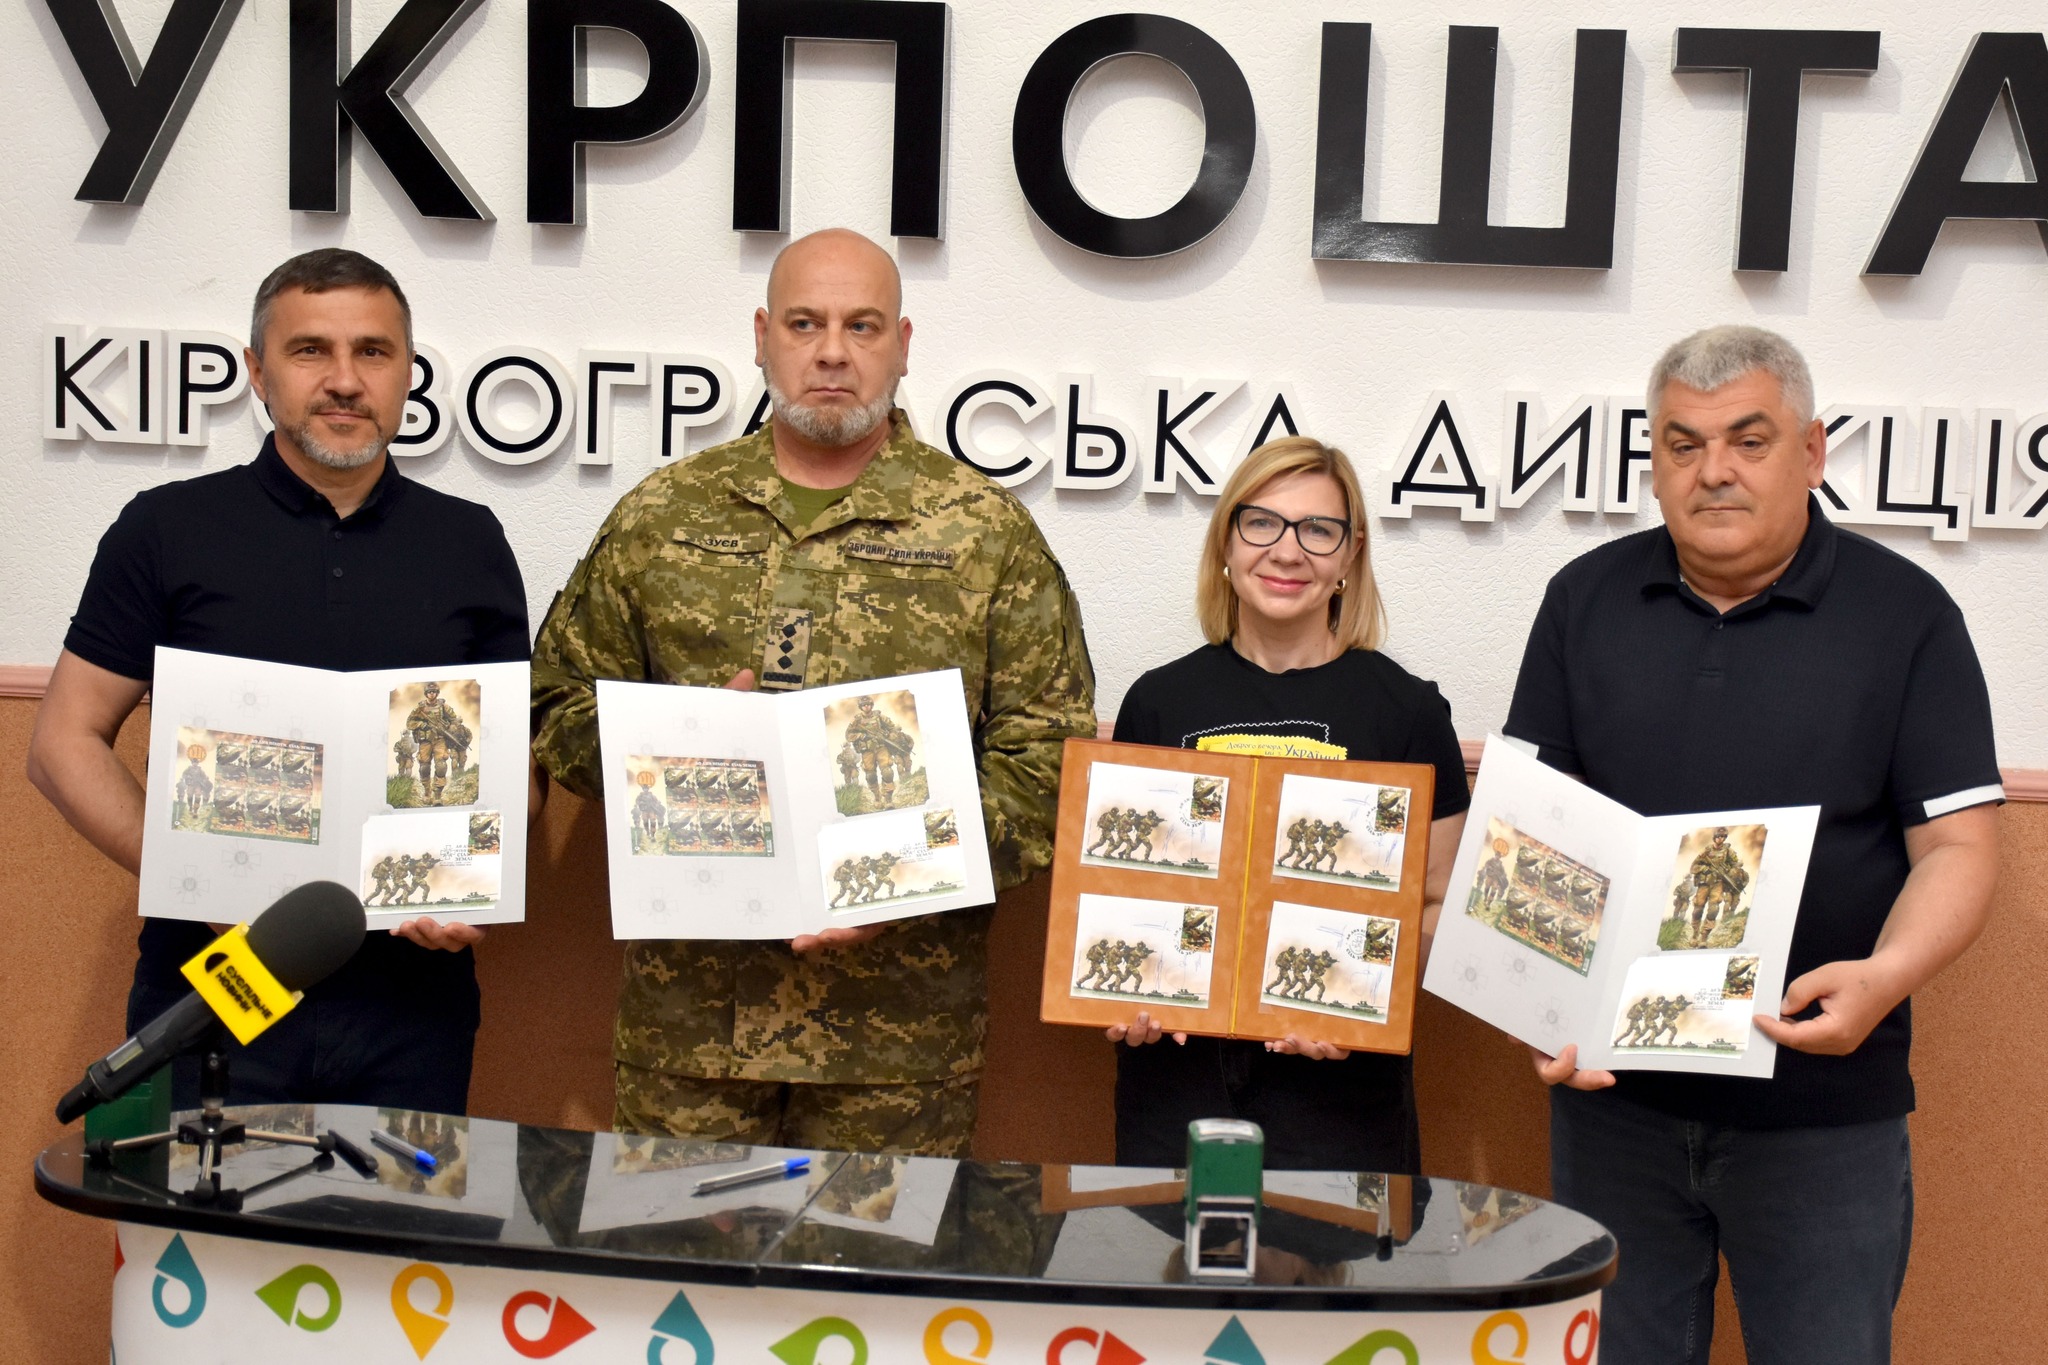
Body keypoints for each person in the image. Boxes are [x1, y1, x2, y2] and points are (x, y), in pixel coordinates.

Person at [530, 227, 1094, 1157]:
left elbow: (1049, 758)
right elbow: (558, 699)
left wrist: (900, 872)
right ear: (762, 337)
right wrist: (677, 754)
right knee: (675, 1253)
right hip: (690, 1030)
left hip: (897, 1042)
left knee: (878, 1261)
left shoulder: (986, 533)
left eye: (862, 325)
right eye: (805, 323)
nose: (833, 350)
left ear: (902, 346)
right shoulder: (664, 514)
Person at [1506, 325, 2001, 1364]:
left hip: (1822, 1111)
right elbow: (1529, 833)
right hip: (1614, 1109)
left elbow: (1957, 848)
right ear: (1653, 462)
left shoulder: (1906, 615)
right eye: (1682, 444)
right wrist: (1534, 1003)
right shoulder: (1581, 600)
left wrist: (1883, 977)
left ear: (1810, 452)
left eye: (1747, 439)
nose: (1713, 470)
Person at [26, 248, 529, 1114]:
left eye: (373, 351)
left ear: (409, 373)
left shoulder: (471, 542)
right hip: (213, 991)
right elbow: (62, 743)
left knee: (402, 1210)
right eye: (310, 351)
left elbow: (516, 771)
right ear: (258, 372)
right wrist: (194, 872)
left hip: (412, 1001)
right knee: (197, 1206)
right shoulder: (167, 528)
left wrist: (473, 874)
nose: (345, 380)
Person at [1108, 436, 1470, 1173]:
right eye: (1262, 523)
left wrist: (1359, 1002)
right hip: (1176, 1082)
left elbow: (1436, 904)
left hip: (1342, 1097)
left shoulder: (1407, 712)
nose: (1287, 550)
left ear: (1350, 555)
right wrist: (1118, 995)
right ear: (1227, 542)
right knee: (1167, 1251)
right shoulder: (1157, 701)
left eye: (1318, 530)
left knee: (1337, 1251)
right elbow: (1119, 893)